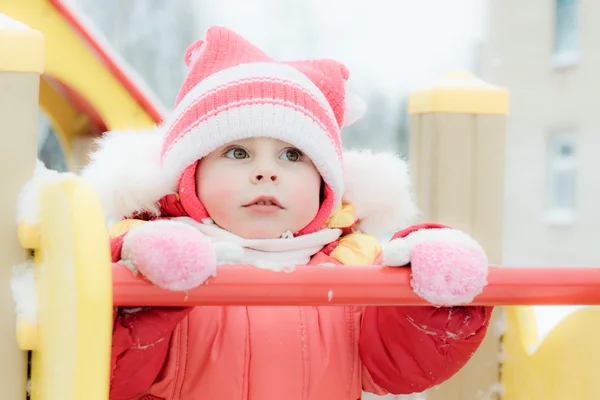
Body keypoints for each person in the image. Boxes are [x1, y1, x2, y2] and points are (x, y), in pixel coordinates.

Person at [82, 26, 493, 400]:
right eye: (237, 152)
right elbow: (106, 375)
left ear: (323, 185)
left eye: (292, 155)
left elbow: (403, 368)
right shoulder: (139, 249)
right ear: (189, 176)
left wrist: (431, 300)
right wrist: (149, 283)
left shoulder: (356, 266)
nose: (267, 171)